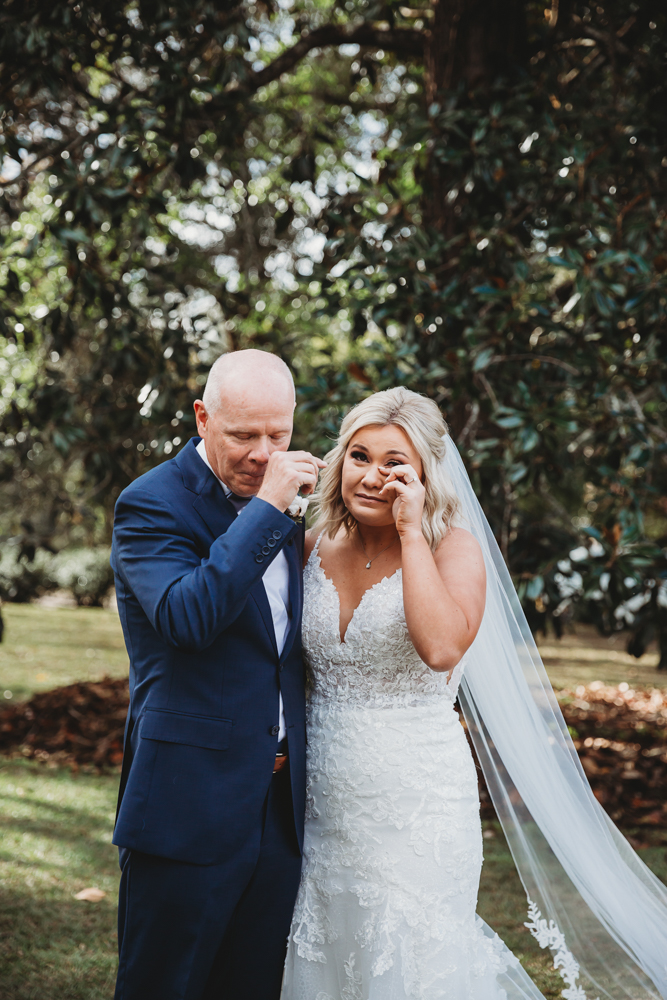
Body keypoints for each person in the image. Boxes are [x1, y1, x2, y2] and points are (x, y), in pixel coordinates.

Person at [281, 386, 667, 1000]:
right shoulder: (307, 546)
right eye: (359, 456)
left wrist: (411, 535)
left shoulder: (452, 547)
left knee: (413, 955)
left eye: (394, 463)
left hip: (415, 800)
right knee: (330, 948)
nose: (373, 476)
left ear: (426, 475)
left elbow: (441, 649)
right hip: (323, 796)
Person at [110, 349, 325, 1000]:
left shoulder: (287, 506)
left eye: (278, 435)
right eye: (243, 436)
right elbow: (186, 618)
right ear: (203, 418)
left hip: (278, 817)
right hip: (187, 805)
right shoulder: (150, 505)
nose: (264, 453)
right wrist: (268, 508)